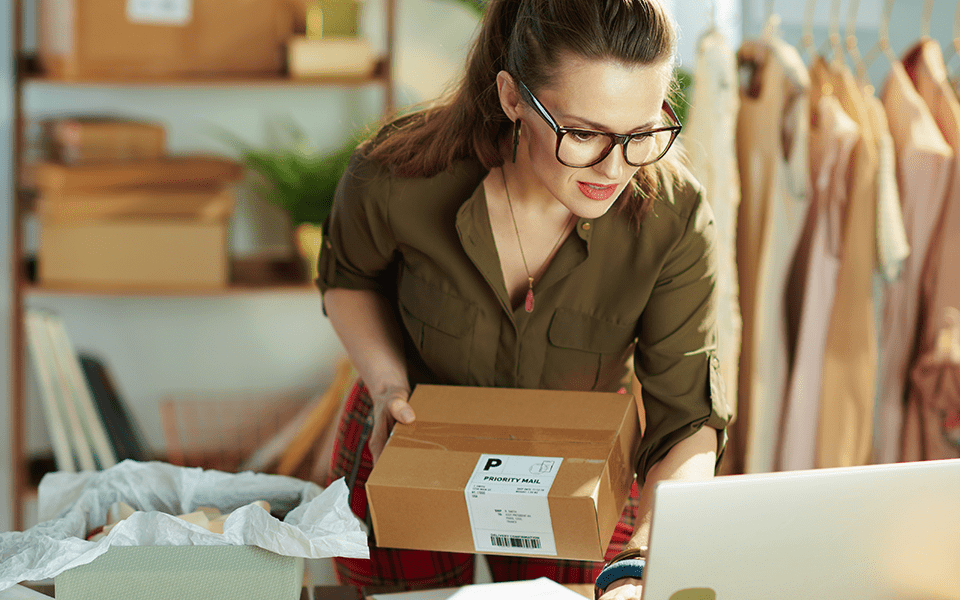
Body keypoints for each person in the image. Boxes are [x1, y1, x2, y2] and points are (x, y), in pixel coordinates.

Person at [317, 0, 731, 597]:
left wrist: (643, 560)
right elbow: (348, 278)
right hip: (406, 439)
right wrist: (386, 384)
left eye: (642, 133)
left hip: (579, 466)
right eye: (583, 133)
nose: (615, 168)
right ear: (513, 98)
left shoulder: (675, 219)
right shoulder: (398, 174)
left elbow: (686, 419)